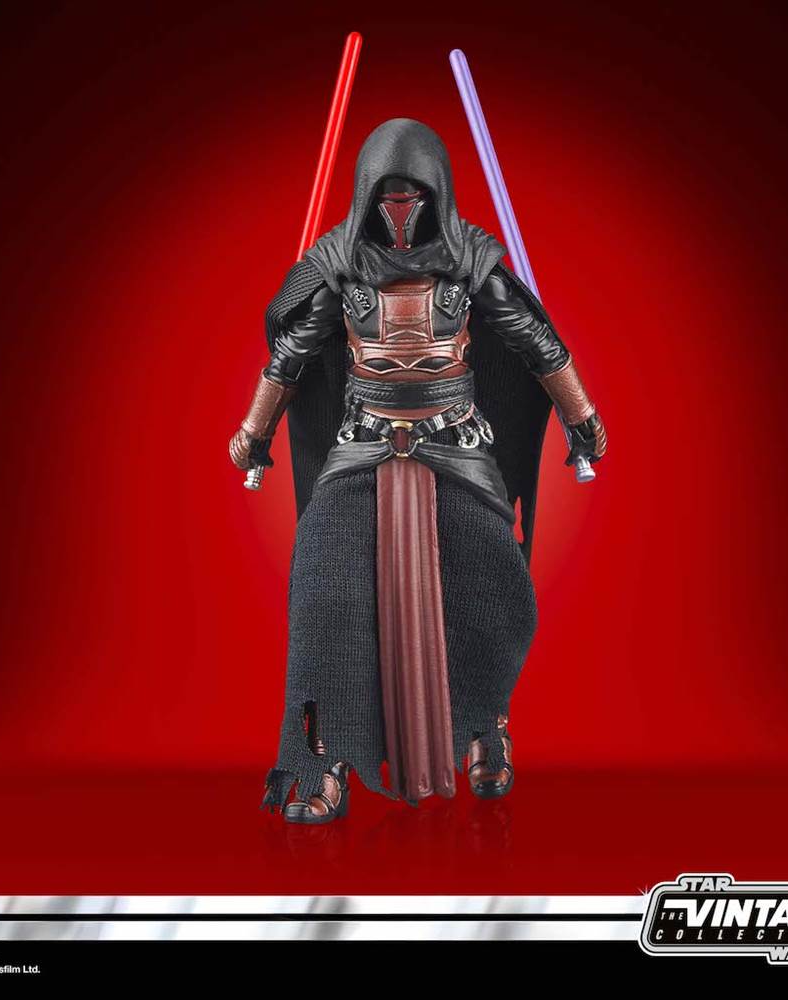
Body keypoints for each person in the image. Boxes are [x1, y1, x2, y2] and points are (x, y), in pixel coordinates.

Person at [229, 118, 606, 823]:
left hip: (456, 443)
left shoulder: (472, 263)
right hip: (362, 442)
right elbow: (290, 357)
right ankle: (322, 762)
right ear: (367, 197)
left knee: (494, 585)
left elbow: (536, 343)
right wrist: (254, 431)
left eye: (412, 200)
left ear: (437, 195)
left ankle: (486, 728)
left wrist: (581, 417)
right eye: (388, 200)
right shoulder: (337, 266)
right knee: (321, 589)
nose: (400, 217)